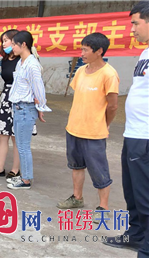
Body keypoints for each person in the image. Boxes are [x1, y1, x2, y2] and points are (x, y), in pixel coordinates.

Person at [55, 32, 119, 223]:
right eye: (81, 48)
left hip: (94, 131)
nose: (81, 53)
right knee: (76, 165)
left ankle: (103, 207)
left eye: (85, 49)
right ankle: (77, 198)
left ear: (99, 51)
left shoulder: (109, 74)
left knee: (99, 169)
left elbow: (113, 106)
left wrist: (104, 124)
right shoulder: (82, 71)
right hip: (73, 127)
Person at [103, 1, 149, 253]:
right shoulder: (145, 53)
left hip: (145, 137)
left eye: (135, 23)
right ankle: (136, 234)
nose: (131, 29)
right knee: (132, 192)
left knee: (145, 196)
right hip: (133, 133)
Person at [6, 30, 50, 190]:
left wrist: (40, 107)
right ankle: (24, 177)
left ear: (23, 45)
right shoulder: (21, 62)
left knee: (23, 145)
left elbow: (39, 89)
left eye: (14, 45)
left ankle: (25, 180)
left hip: (25, 108)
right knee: (20, 144)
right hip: (18, 107)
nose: (12, 49)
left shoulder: (32, 64)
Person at [0, 29, 30, 180]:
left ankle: (15, 169)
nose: (3, 43)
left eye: (6, 40)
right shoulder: (5, 59)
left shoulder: (24, 59)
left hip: (20, 99)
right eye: (2, 41)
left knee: (16, 137)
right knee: (2, 135)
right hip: (6, 97)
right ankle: (0, 168)